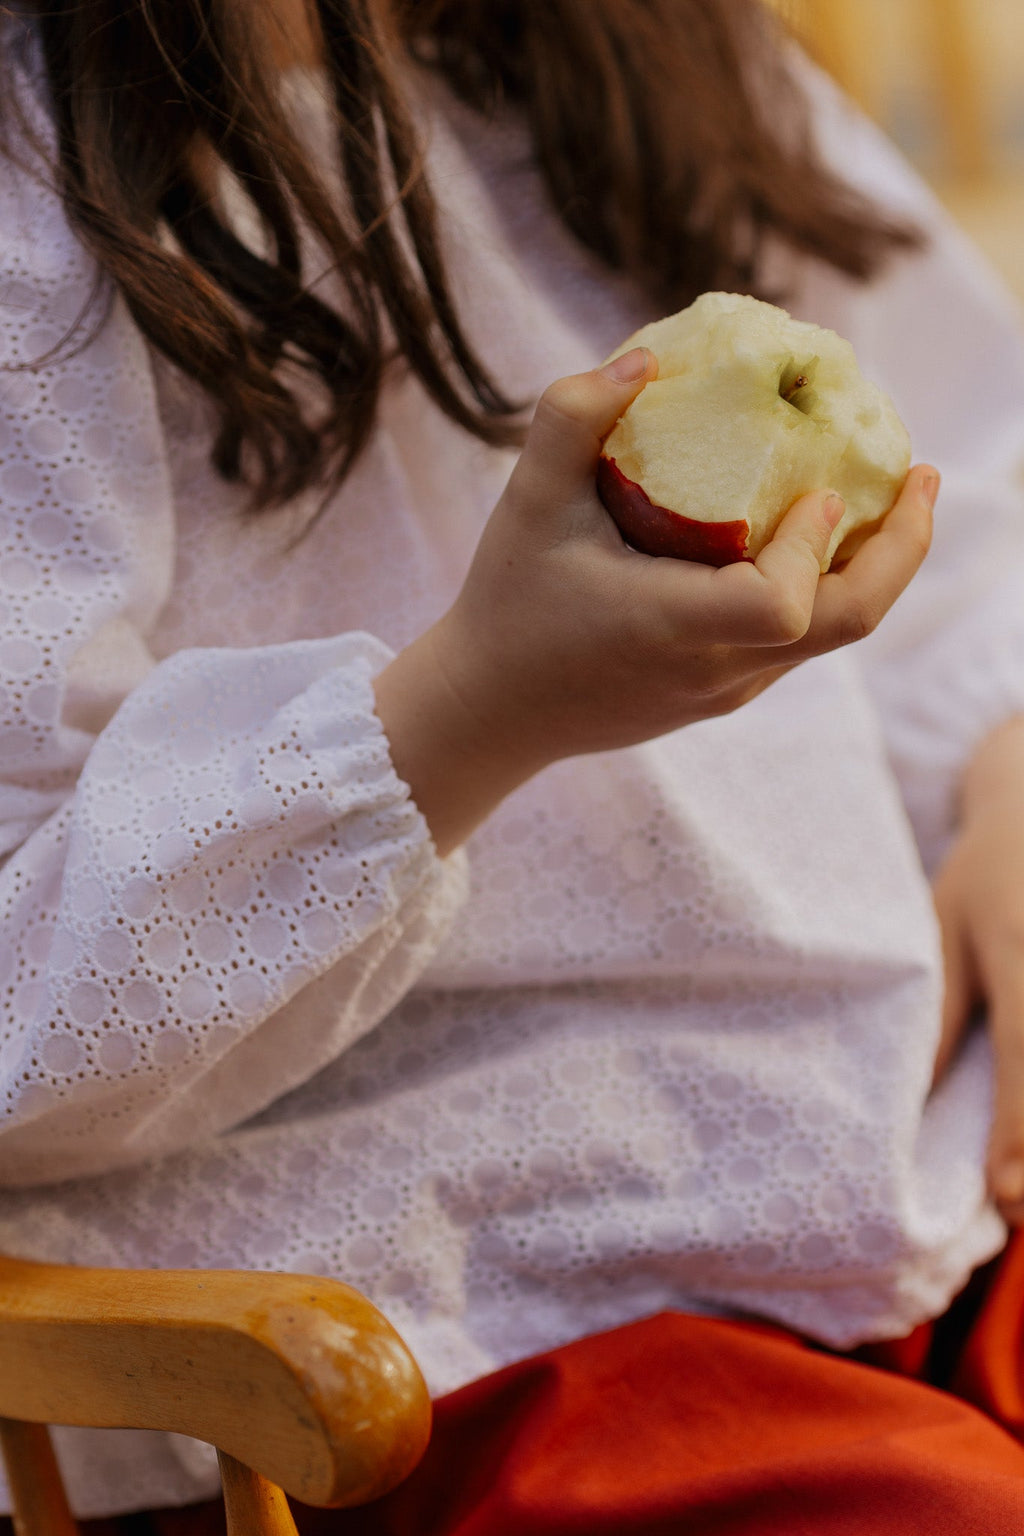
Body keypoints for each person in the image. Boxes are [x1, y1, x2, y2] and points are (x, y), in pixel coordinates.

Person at [1, 0, 1024, 1529]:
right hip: (445, 1307)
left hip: (889, 1139)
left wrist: (1008, 776)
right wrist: (474, 709)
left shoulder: (630, 39)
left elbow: (974, 472)